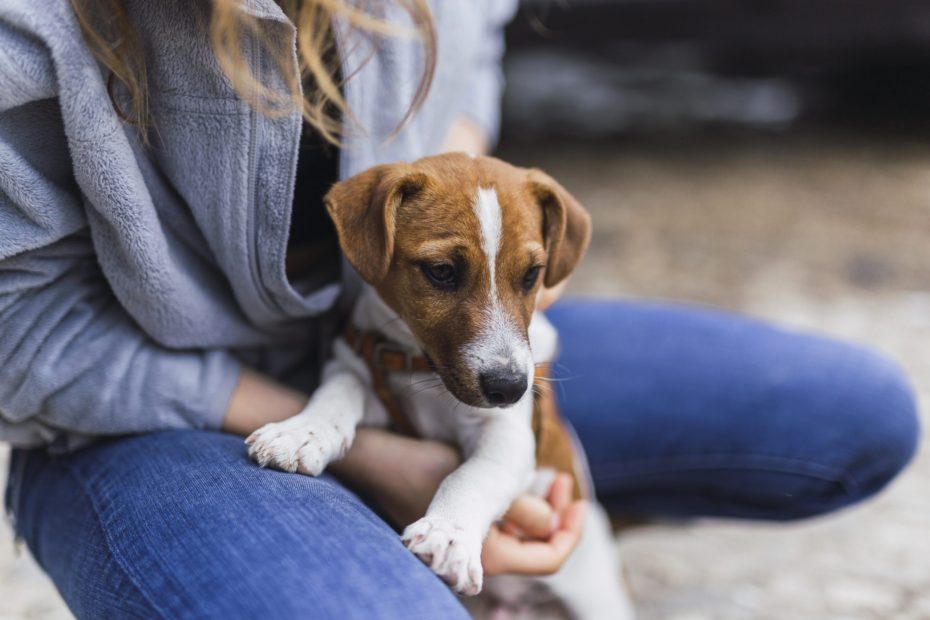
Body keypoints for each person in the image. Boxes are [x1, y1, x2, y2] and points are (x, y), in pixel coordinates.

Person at [0, 0, 919, 617]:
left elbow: (472, 57)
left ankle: (547, 511)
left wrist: (496, 231)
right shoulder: (35, 28)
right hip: (147, 416)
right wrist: (371, 457)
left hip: (418, 360)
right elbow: (21, 339)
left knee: (851, 412)